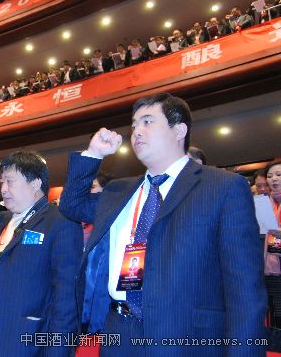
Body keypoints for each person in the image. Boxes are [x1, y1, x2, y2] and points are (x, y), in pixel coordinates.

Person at [59, 93, 266, 356]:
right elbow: (72, 205)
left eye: (147, 122)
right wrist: (94, 153)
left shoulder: (222, 187)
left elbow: (244, 289)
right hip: (120, 332)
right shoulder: (119, 191)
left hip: (186, 336)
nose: (137, 132)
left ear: (179, 130)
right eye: (134, 125)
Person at [0, 151, 83, 357]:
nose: (3, 189)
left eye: (10, 181)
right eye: (2, 182)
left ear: (35, 183)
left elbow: (66, 298)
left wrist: (59, 350)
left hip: (24, 339)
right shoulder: (1, 219)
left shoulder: (60, 222)